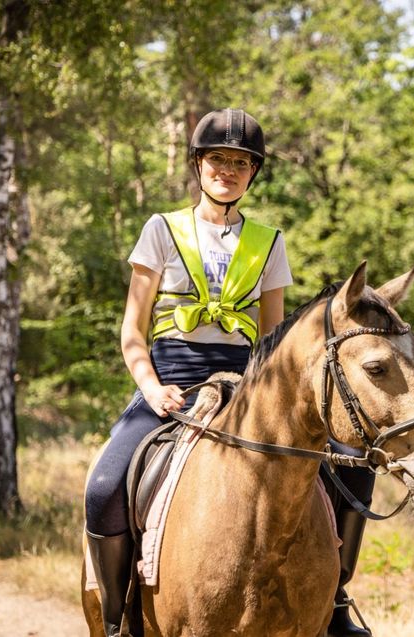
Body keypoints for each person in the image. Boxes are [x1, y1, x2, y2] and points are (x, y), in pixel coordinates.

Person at [84, 108, 293, 637]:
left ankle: (334, 600)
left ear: (253, 173)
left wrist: (263, 397)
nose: (228, 169)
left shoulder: (270, 242)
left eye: (240, 162)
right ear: (198, 164)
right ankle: (114, 617)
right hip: (171, 379)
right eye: (217, 158)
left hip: (246, 385)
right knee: (105, 486)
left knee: (342, 466)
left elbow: (273, 341)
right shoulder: (162, 228)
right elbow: (133, 330)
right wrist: (151, 389)